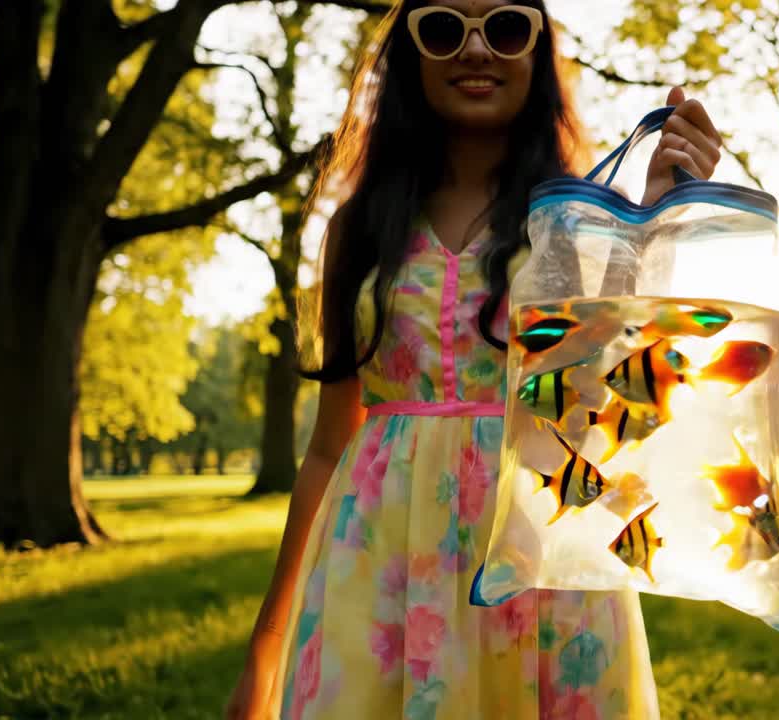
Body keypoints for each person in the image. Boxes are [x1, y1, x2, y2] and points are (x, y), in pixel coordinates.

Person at [225, 1, 723, 718]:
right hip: (379, 573)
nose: (477, 49)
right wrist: (265, 649)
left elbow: (608, 412)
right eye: (444, 28)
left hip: (543, 565)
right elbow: (328, 447)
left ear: (537, 52)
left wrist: (655, 219)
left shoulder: (584, 221)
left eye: (506, 26)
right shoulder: (358, 228)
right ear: (412, 55)